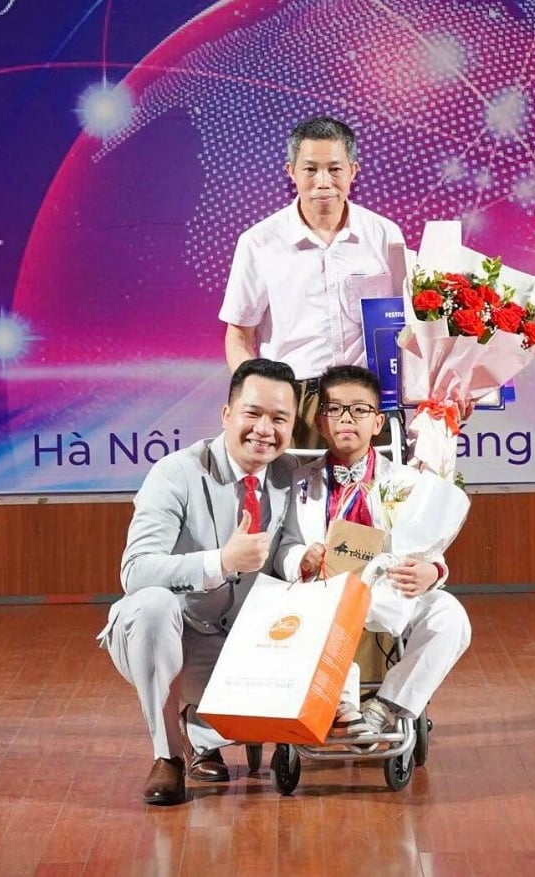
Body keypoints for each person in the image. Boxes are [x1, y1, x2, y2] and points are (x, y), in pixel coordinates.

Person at [97, 359, 299, 805]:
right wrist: (220, 562)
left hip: (248, 643)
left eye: (279, 418)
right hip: (178, 638)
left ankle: (202, 731)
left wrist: (303, 560)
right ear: (226, 415)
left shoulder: (288, 477)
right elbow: (136, 571)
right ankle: (167, 756)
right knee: (150, 605)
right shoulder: (175, 472)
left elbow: (289, 547)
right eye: (253, 413)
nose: (265, 429)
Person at [274, 364, 471, 739]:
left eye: (360, 410)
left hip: (391, 594)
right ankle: (342, 708)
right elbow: (283, 545)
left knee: (451, 617)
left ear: (378, 422)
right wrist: (300, 557)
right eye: (335, 409)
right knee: (331, 607)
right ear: (319, 421)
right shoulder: (296, 481)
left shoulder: (406, 481)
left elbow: (429, 543)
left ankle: (385, 706)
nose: (347, 418)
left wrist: (433, 572)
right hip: (323, 593)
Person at [218, 115, 406, 447]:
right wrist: (260, 397)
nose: (323, 182)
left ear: (353, 172)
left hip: (368, 399)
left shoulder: (385, 236)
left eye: (335, 169)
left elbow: (410, 326)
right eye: (310, 169)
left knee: (376, 497)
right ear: (290, 172)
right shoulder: (259, 242)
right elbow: (239, 336)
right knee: (292, 497)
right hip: (294, 398)